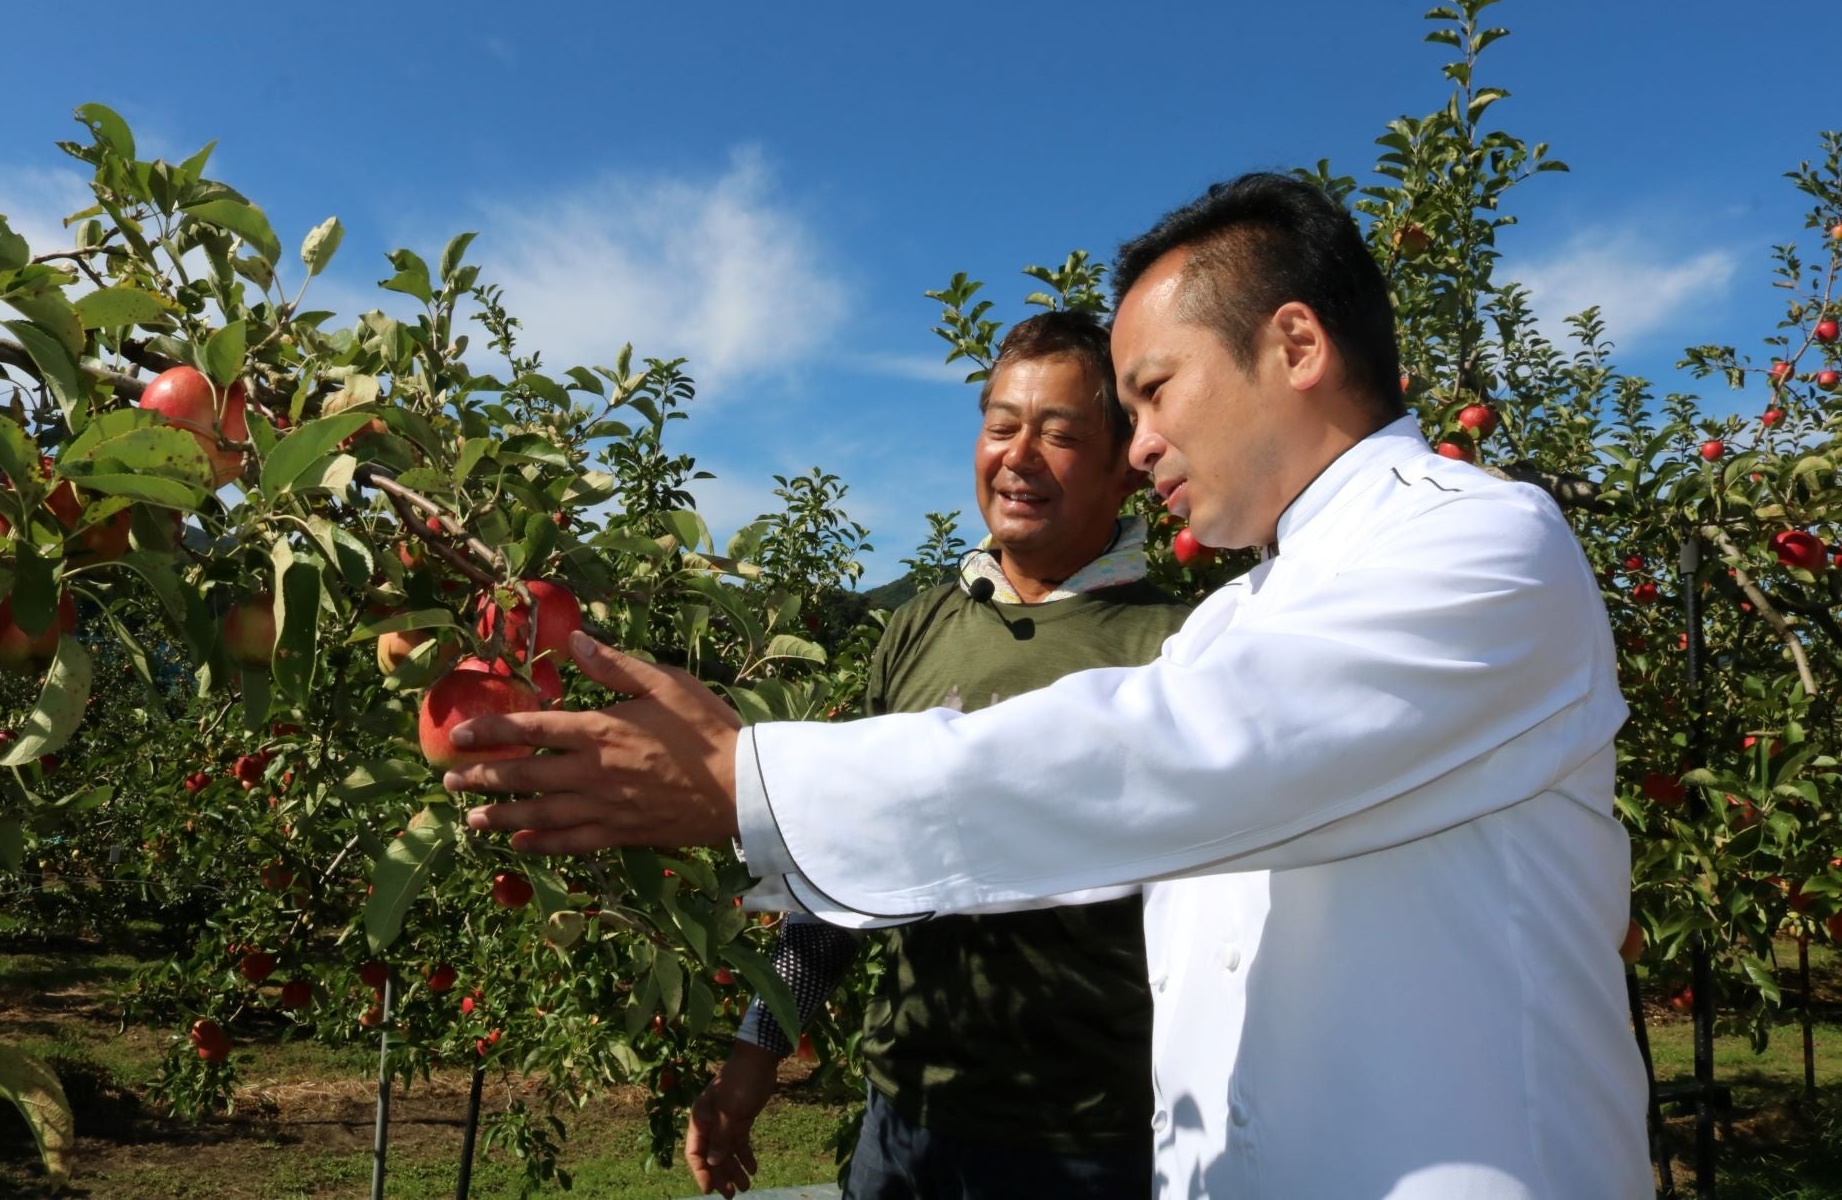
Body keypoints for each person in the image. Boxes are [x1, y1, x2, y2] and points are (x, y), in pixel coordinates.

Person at [441, 173, 1651, 1198]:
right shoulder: (1238, 615)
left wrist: (749, 776)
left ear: (1294, 345)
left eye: (1153, 393)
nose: (1140, 447)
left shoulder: (1480, 544)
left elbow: (1172, 752)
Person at [686, 310, 1190, 1198]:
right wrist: (756, 1053)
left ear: (1124, 464)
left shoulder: (1178, 646)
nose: (1019, 455)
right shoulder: (919, 627)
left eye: (1061, 433)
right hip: (907, 1122)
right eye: (1001, 426)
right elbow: (845, 874)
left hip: (1094, 1141)